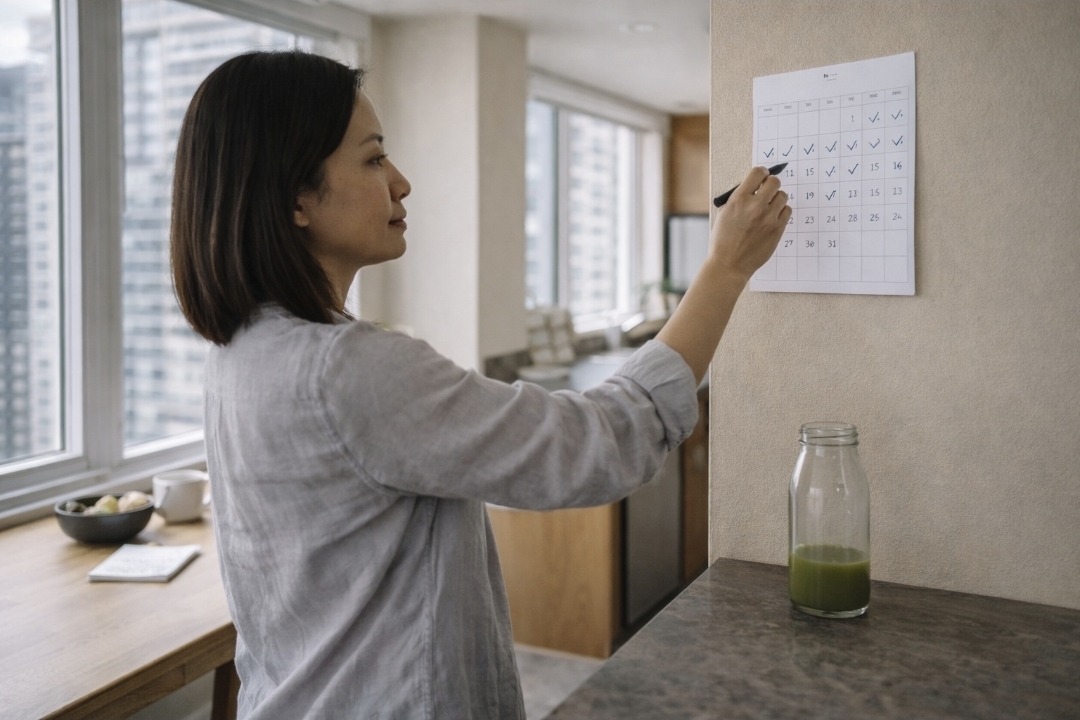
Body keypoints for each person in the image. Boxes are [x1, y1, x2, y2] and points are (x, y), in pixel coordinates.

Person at [171, 50, 789, 720]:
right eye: (374, 159)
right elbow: (598, 445)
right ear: (295, 197)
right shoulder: (349, 369)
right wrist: (724, 271)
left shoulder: (236, 354)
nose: (401, 183)